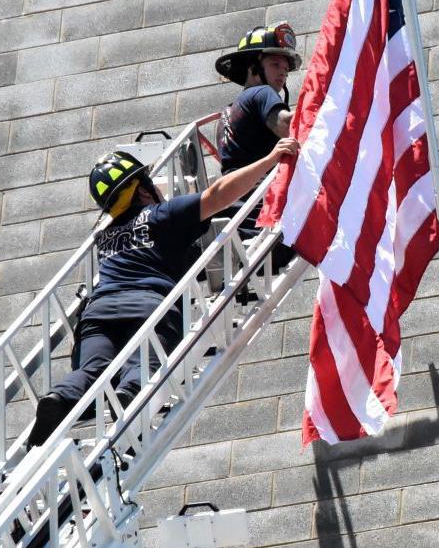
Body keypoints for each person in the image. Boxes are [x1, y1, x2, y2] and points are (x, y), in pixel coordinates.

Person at [25, 137, 300, 451]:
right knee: (144, 366)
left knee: (92, 371)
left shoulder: (105, 236)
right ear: (142, 189)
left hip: (97, 315)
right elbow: (218, 194)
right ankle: (130, 395)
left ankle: (59, 398)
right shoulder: (160, 216)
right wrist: (270, 160)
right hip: (148, 309)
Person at [214, 22, 301, 270]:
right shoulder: (262, 93)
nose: (283, 73)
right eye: (275, 64)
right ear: (253, 67)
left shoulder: (227, 114)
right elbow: (286, 126)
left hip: (238, 226)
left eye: (286, 68)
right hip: (265, 221)